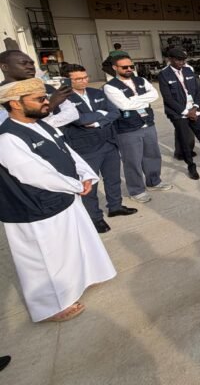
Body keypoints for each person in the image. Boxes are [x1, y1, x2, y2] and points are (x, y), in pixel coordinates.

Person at [0, 78, 116, 322]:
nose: (46, 103)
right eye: (39, 99)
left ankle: (81, 280)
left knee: (75, 245)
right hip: (35, 208)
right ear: (15, 104)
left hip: (64, 197)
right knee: (45, 259)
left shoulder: (42, 125)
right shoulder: (7, 137)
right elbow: (33, 172)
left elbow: (68, 153)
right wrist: (75, 185)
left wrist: (85, 175)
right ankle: (51, 307)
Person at [62, 64, 137, 233]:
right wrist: (102, 114)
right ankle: (94, 218)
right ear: (68, 80)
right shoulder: (63, 99)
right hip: (86, 148)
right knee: (90, 185)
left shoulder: (96, 92)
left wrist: (96, 121)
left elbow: (115, 112)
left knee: (113, 178)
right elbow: (79, 120)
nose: (84, 81)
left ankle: (115, 206)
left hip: (109, 142)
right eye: (78, 78)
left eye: (85, 77)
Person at [104, 55, 171, 203]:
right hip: (128, 129)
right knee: (132, 160)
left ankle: (154, 181)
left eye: (131, 66)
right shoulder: (110, 86)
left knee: (152, 155)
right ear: (115, 68)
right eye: (124, 67)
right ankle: (136, 190)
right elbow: (124, 105)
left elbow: (154, 95)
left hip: (148, 123)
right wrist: (142, 100)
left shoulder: (141, 80)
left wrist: (133, 100)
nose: (129, 69)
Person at [157, 48, 200, 180]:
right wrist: (186, 112)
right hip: (179, 114)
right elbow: (168, 98)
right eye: (178, 60)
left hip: (194, 110)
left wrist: (195, 107)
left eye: (183, 60)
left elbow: (196, 90)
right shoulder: (164, 74)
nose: (181, 63)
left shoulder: (188, 70)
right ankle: (191, 166)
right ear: (170, 59)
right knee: (185, 142)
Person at [0, 49, 79, 127]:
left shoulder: (46, 87)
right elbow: (12, 127)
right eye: (24, 63)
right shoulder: (3, 94)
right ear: (4, 67)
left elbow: (73, 114)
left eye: (32, 63)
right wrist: (50, 106)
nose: (31, 67)